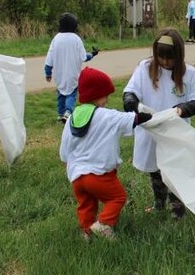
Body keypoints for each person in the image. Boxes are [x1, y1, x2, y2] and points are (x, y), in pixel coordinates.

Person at [60, 67, 152, 240]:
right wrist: (148, 116)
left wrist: (67, 163)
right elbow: (132, 119)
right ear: (96, 95)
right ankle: (103, 224)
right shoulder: (107, 116)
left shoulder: (72, 118)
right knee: (117, 198)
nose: (107, 99)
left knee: (86, 204)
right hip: (99, 175)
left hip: (77, 176)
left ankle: (86, 232)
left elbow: (65, 148)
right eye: (105, 95)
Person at [123, 28, 195, 218]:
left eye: (170, 58)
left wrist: (181, 109)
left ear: (179, 55)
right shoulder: (144, 68)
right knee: (155, 170)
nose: (166, 62)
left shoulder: (189, 74)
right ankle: (159, 204)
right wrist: (130, 102)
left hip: (175, 132)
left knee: (175, 172)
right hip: (152, 130)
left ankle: (178, 210)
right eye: (161, 58)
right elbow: (130, 90)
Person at [44, 13, 99, 123]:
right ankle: (68, 112)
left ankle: (60, 114)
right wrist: (92, 54)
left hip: (59, 73)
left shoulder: (56, 39)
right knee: (71, 93)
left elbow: (49, 57)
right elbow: (83, 57)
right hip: (73, 73)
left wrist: (48, 72)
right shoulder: (76, 39)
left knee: (61, 93)